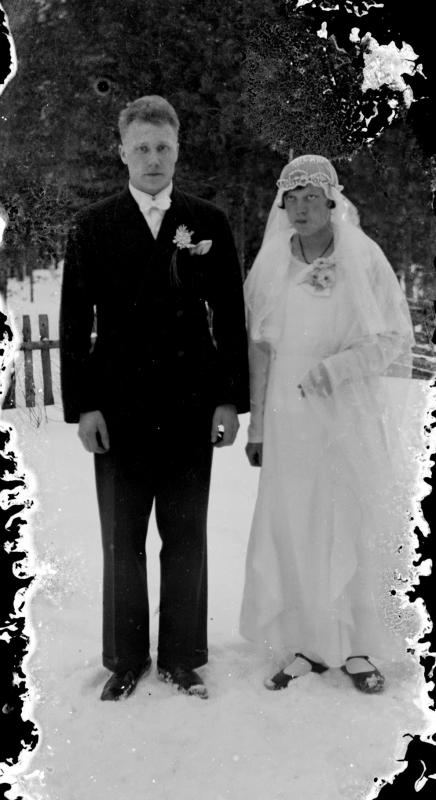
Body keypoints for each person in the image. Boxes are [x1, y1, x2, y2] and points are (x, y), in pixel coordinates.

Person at [60, 95, 249, 701]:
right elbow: (73, 322)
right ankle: (124, 658)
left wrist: (230, 400)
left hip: (191, 402)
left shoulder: (207, 221)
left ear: (178, 149)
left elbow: (231, 317)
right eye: (141, 147)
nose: (153, 158)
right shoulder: (92, 225)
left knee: (186, 535)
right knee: (123, 539)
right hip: (118, 408)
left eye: (163, 146)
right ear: (122, 152)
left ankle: (183, 657)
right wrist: (84, 406)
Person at [240, 154, 414, 693]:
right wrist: (258, 426)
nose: (301, 208)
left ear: (332, 200)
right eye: (291, 198)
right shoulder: (271, 262)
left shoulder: (363, 257)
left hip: (345, 411)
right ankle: (309, 643)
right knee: (297, 522)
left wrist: (337, 369)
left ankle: (357, 647)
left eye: (311, 197)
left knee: (347, 519)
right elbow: (260, 350)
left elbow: (393, 337)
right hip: (288, 418)